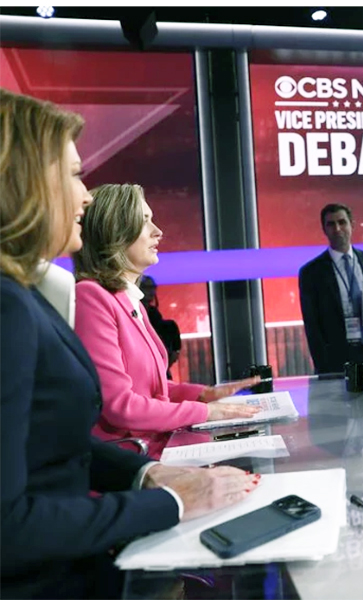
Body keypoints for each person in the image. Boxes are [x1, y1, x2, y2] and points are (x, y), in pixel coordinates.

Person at [0, 89, 258, 599]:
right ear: (25, 185)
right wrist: (173, 502)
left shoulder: (23, 297)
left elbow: (60, 448)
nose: (86, 196)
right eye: (74, 175)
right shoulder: (9, 308)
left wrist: (149, 473)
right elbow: (9, 522)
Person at [72, 183, 261, 458]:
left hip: (160, 449)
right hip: (131, 463)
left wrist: (204, 394)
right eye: (145, 221)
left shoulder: (128, 298)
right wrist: (205, 412)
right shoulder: (91, 296)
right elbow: (120, 404)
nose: (157, 231)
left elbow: (152, 389)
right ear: (115, 231)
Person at [298, 203, 363, 374]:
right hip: (335, 360)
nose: (338, 228)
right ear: (324, 229)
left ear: (352, 225)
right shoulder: (311, 272)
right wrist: (323, 366)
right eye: (331, 224)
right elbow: (312, 325)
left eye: (342, 222)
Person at [139, 274, 182, 379]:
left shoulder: (165, 325)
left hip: (161, 373)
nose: (150, 292)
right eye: (146, 287)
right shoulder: (132, 315)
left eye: (152, 288)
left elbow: (174, 354)